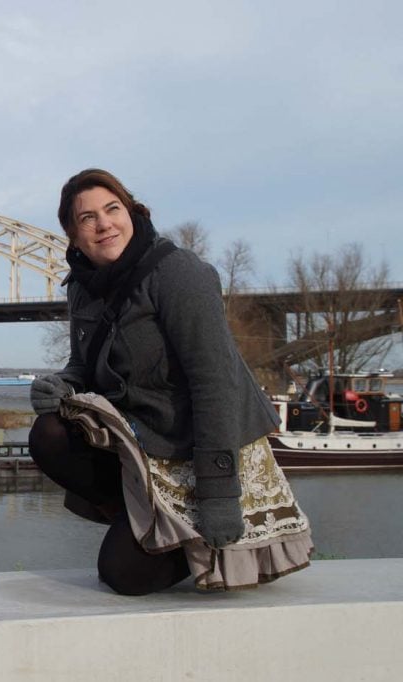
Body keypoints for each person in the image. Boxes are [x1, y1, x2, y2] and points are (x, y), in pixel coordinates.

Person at [30, 168, 312, 596]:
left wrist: (219, 495)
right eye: (87, 218)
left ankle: (187, 533)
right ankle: (145, 521)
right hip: (145, 443)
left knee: (122, 575)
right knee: (49, 434)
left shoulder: (178, 273)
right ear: (73, 233)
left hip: (199, 445)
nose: (104, 223)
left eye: (112, 209)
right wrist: (62, 385)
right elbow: (83, 365)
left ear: (133, 212)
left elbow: (215, 385)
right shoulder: (83, 287)